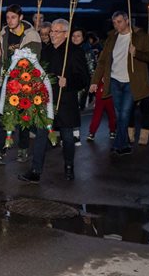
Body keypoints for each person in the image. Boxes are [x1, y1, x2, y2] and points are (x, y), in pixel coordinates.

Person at [89, 11, 149, 156]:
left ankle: (119, 143)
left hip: (131, 82)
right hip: (114, 80)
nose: (116, 25)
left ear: (127, 21)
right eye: (114, 22)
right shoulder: (112, 37)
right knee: (120, 115)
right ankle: (124, 144)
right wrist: (95, 81)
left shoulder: (140, 37)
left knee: (124, 113)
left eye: (119, 22)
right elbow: (103, 61)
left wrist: (136, 53)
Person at [31, 19, 89, 181]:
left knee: (68, 137)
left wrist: (68, 82)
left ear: (65, 34)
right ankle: (35, 170)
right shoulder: (46, 50)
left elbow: (84, 79)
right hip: (47, 100)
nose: (52, 34)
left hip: (65, 101)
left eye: (57, 32)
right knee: (41, 135)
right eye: (52, 31)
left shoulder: (75, 52)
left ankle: (69, 167)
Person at [0, 4, 41, 165]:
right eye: (8, 17)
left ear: (21, 17)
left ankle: (23, 149)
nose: (10, 20)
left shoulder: (32, 35)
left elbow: (33, 59)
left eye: (13, 17)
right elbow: (3, 58)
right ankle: (0, 152)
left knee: (23, 118)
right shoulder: (3, 34)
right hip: (7, 82)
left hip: (24, 83)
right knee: (4, 117)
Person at [128, 24, 149, 146]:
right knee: (129, 108)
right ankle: (129, 134)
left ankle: (144, 135)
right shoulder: (130, 45)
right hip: (134, 83)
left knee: (146, 109)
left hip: (147, 83)